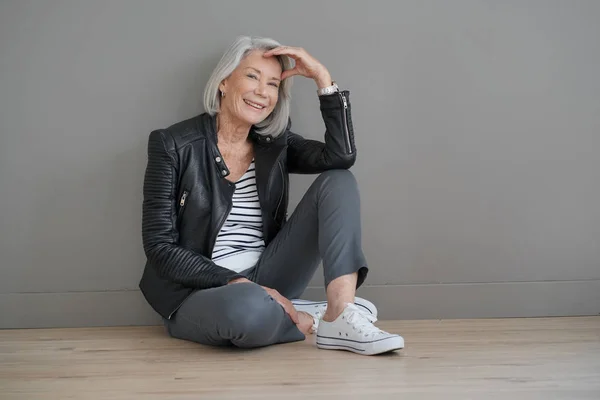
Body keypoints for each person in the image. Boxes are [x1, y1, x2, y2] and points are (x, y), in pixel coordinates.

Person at [138, 35, 404, 355]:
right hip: (200, 291)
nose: (262, 92)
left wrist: (324, 81)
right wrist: (241, 285)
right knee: (245, 315)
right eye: (252, 76)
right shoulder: (173, 145)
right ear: (224, 81)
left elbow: (340, 157)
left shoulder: (274, 144)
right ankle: (305, 317)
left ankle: (339, 312)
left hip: (270, 275)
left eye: (274, 84)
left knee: (339, 181)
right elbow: (160, 248)